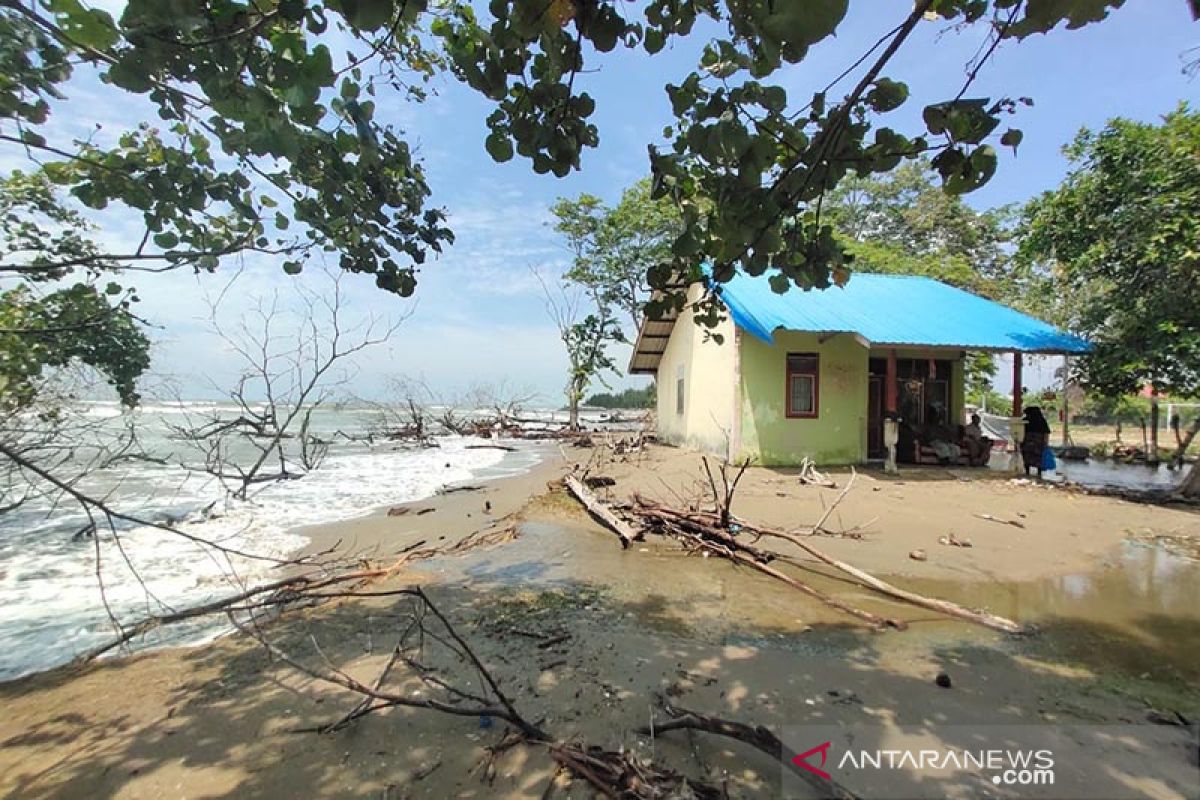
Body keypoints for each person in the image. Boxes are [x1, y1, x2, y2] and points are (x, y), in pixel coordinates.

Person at [1020, 406, 1052, 477]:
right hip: (1039, 443)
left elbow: (1020, 431)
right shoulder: (1042, 420)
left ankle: (1027, 472)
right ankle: (1039, 473)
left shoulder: (1025, 420)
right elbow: (1046, 433)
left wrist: (1020, 442)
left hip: (1027, 442)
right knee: (1038, 458)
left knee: (1027, 457)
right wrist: (1046, 443)